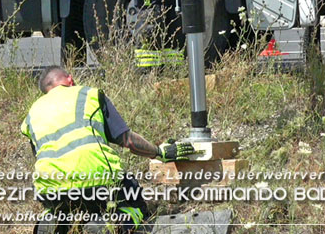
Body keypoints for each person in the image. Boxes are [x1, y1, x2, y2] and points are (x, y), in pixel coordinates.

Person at [22, 66, 196, 234]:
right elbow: (128, 140)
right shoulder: (88, 95)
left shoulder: (33, 113)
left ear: (45, 90)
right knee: (133, 199)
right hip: (97, 183)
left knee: (66, 206)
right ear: (70, 79)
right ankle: (116, 223)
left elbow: (39, 156)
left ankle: (55, 219)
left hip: (49, 191)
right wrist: (160, 152)